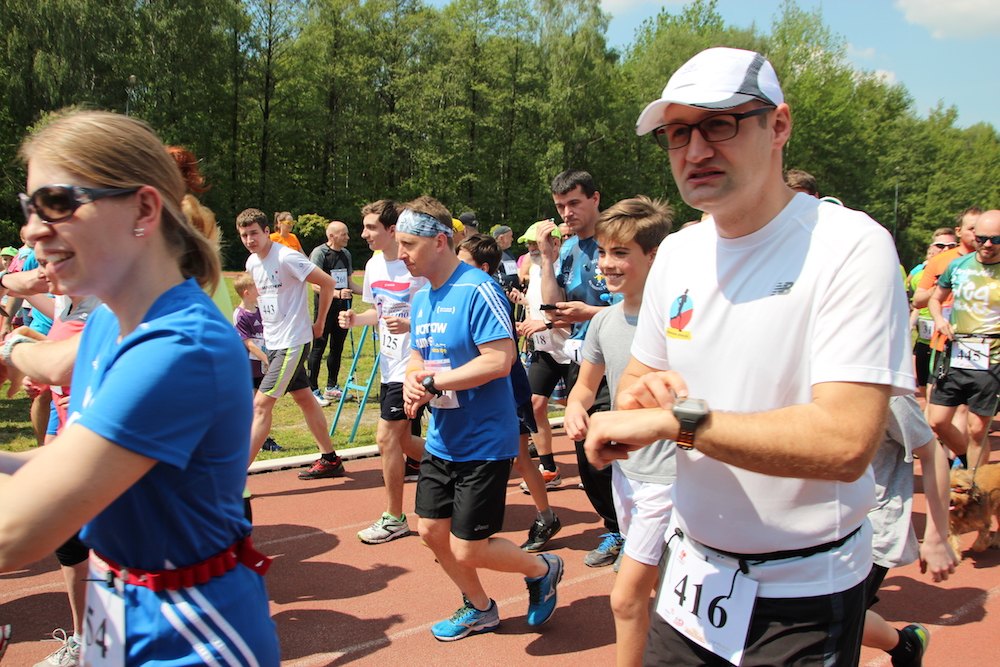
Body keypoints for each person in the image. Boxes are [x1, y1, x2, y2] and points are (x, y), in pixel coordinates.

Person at [584, 47, 912, 665]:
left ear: (778, 126)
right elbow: (639, 381)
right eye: (677, 133)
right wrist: (640, 400)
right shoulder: (677, 253)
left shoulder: (851, 245)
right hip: (691, 574)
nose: (695, 150)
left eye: (719, 125)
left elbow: (846, 443)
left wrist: (678, 423)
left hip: (803, 591)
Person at [0, 109, 279, 665]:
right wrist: (12, 350)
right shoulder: (112, 317)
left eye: (56, 203)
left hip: (190, 635)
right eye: (31, 207)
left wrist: (10, 350)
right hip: (120, 602)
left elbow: (15, 533)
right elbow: (57, 396)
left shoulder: (178, 348)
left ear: (144, 209)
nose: (31, 229)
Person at [398, 197, 563, 641]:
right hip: (443, 438)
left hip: (485, 440)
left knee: (469, 548)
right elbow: (418, 356)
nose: (401, 253)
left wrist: (435, 383)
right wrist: (415, 379)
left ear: (440, 241)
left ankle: (542, 568)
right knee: (431, 532)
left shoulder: (477, 289)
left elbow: (500, 359)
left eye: (409, 244)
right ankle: (480, 608)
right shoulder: (421, 298)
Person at [562, 196, 673, 667]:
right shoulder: (604, 321)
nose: (607, 263)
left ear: (654, 256)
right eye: (604, 252)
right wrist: (575, 410)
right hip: (626, 477)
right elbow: (585, 388)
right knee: (667, 591)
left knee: (626, 599)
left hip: (672, 479)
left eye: (621, 253)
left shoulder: (680, 322)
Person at [537, 169, 622, 567]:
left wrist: (589, 312)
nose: (567, 213)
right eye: (560, 206)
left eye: (574, 203)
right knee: (586, 452)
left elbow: (637, 307)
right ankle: (616, 529)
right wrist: (547, 260)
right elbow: (552, 309)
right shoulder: (569, 249)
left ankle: (634, 534)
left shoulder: (616, 243)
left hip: (618, 362)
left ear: (595, 199)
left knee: (610, 450)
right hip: (580, 362)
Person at [456, 233, 561, 553]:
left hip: (506, 391)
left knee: (517, 458)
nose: (456, 267)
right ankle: (470, 522)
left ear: (483, 268)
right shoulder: (464, 292)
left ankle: (545, 516)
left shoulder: (490, 296)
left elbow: (503, 355)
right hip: (477, 391)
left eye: (463, 262)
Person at [340, 200, 427, 544]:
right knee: (402, 441)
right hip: (389, 366)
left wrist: (410, 325)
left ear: (393, 230)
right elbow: (379, 312)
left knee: (386, 438)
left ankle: (394, 518)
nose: (364, 234)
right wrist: (356, 319)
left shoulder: (415, 266)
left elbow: (436, 314)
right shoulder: (374, 265)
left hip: (417, 364)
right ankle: (459, 466)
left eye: (371, 227)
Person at [236, 208, 345, 476]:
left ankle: (233, 478)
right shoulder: (252, 263)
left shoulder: (286, 257)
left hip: (292, 342)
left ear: (267, 231)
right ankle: (330, 459)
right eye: (244, 235)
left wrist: (319, 323)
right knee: (305, 398)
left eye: (254, 233)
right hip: (273, 343)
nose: (250, 240)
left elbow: (327, 283)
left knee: (261, 405)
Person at [861, 395, 957, 666]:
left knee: (827, 623)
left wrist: (937, 538)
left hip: (869, 531)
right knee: (832, 618)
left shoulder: (889, 391)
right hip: (808, 528)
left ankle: (905, 645)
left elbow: (932, 453)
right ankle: (905, 646)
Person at [927, 209, 1000, 472]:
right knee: (937, 421)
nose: (988, 245)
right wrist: (939, 319)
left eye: (996, 240)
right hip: (956, 353)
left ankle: (976, 483)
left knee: (977, 429)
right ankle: (971, 464)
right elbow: (935, 299)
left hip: (992, 357)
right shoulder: (958, 266)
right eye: (982, 238)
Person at [309, 220, 361, 401]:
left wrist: (371, 292)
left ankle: (331, 386)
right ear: (332, 236)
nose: (347, 237)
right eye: (343, 234)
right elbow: (315, 285)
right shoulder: (320, 253)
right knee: (318, 347)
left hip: (343, 309)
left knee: (337, 347)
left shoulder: (346, 254)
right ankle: (312, 389)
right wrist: (337, 293)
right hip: (325, 308)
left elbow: (350, 284)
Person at [908, 228, 959, 400]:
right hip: (926, 338)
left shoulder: (964, 270)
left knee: (944, 393)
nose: (946, 249)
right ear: (931, 247)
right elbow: (916, 303)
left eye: (951, 245)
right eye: (940, 245)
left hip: (950, 338)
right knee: (924, 389)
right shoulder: (920, 274)